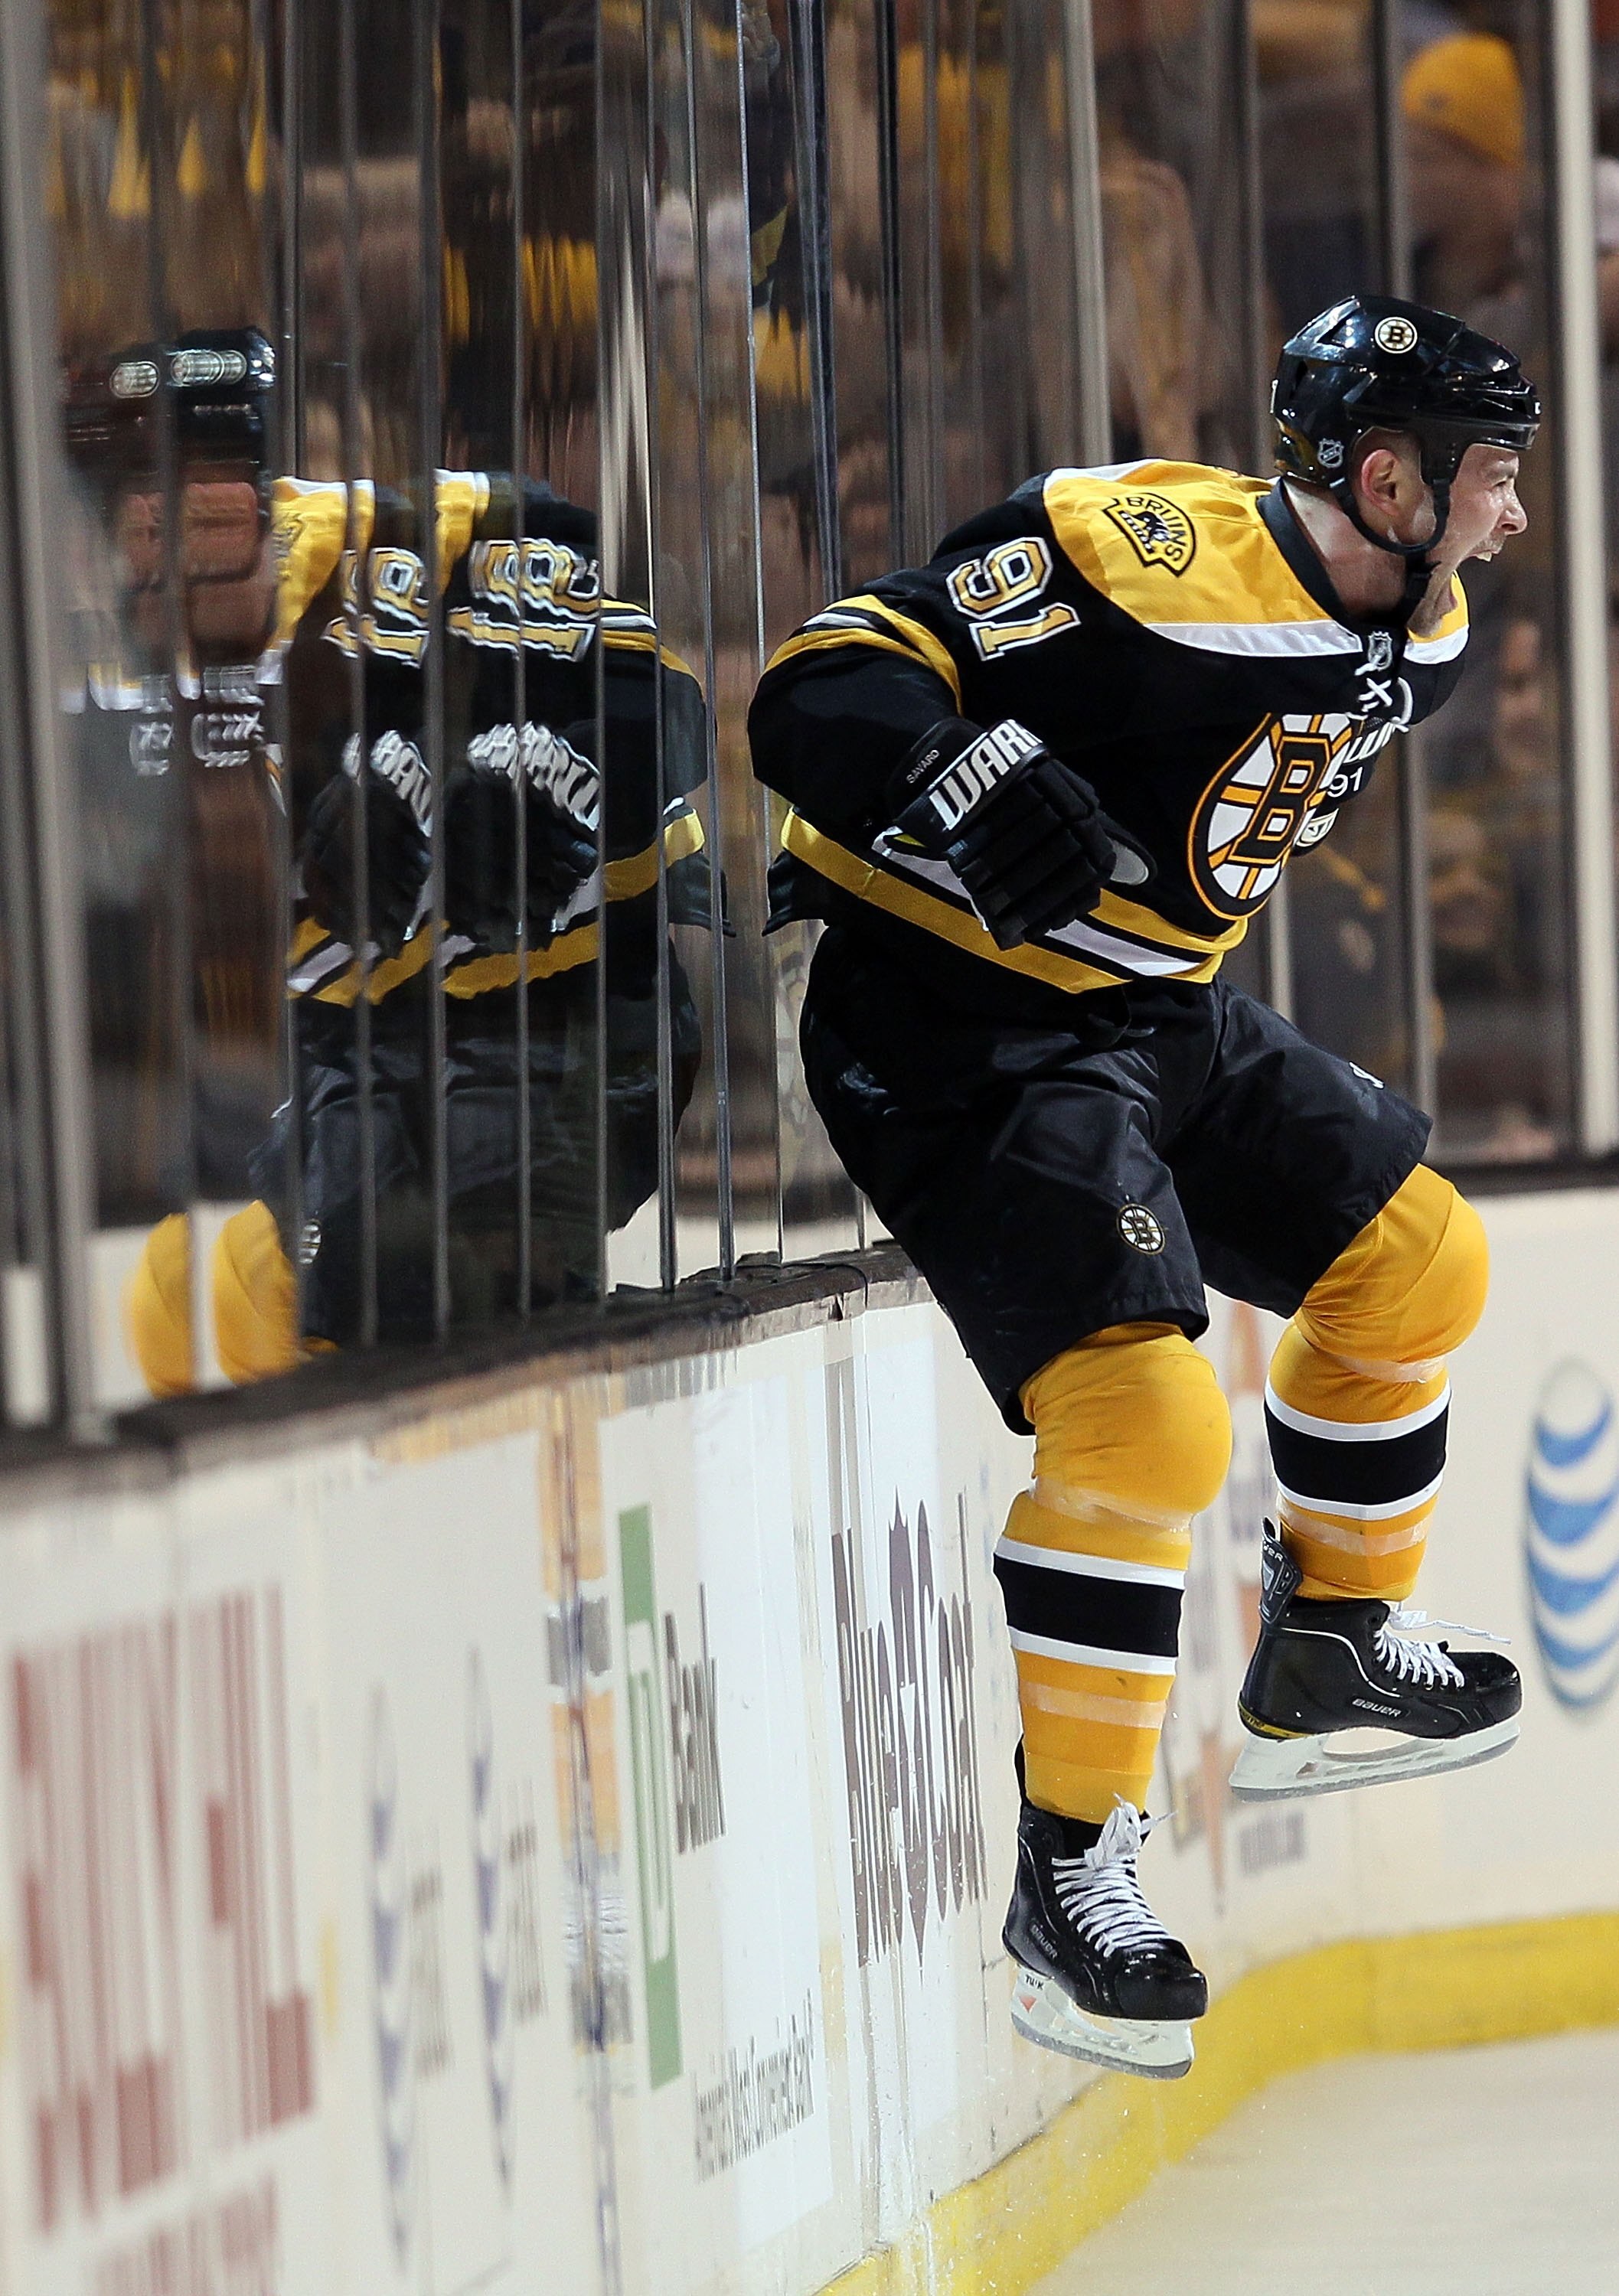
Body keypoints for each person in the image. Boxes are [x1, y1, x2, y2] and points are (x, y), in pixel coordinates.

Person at [749, 296, 1536, 2082]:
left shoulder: (1423, 623)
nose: (1505, 517)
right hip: (942, 1015)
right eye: (1487, 478)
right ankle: (1065, 1870)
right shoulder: (1139, 550)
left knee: (1419, 1264)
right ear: (1388, 474)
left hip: (1134, 1009)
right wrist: (949, 761)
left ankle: (1325, 1647)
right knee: (1148, 1433)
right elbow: (812, 688)